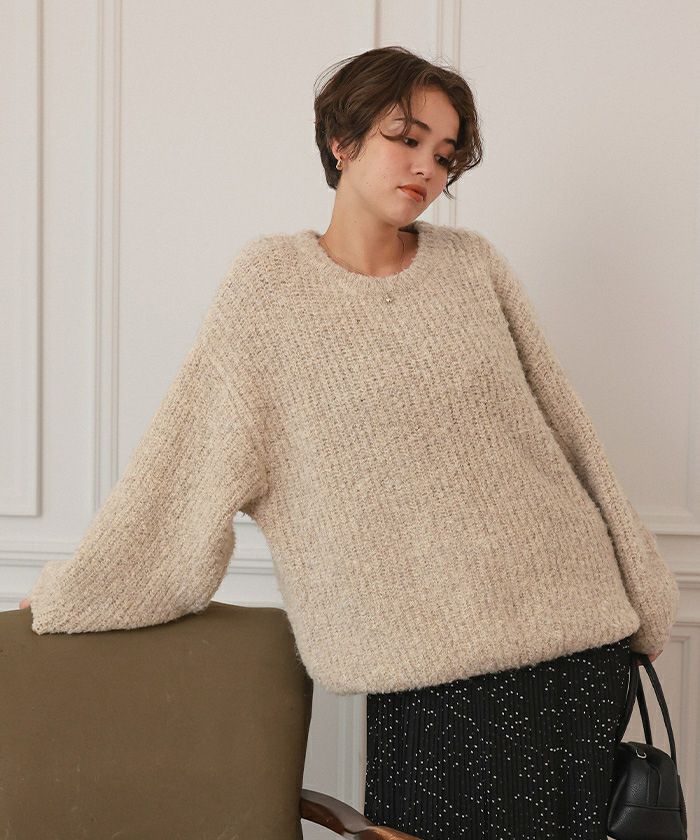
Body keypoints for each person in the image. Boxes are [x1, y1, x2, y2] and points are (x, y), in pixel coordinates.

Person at [21, 46, 678, 840]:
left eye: (445, 154)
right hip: (428, 674)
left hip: (577, 647)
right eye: (406, 138)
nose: (427, 167)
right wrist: (76, 592)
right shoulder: (270, 289)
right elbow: (184, 467)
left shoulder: (473, 266)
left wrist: (644, 598)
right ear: (342, 141)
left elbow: (569, 432)